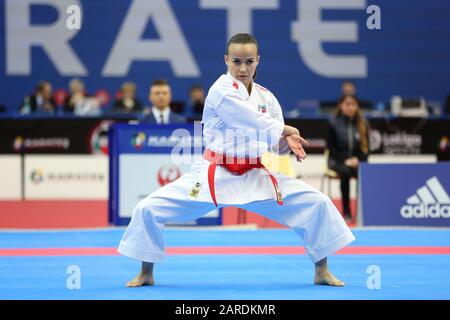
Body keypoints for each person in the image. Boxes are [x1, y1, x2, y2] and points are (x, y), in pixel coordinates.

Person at [118, 33, 355, 287]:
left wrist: (285, 143)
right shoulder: (220, 89)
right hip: (215, 174)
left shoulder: (267, 97)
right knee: (148, 209)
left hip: (255, 175)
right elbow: (249, 119)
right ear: (226, 60)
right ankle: (146, 272)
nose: (243, 68)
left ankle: (321, 270)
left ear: (258, 61)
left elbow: (273, 143)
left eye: (249, 61)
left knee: (317, 202)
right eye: (236, 61)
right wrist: (285, 129)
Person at [326, 94, 370, 222]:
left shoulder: (363, 124)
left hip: (357, 162)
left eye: (353, 104)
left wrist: (358, 159)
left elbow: (367, 150)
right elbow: (331, 148)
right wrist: (345, 160)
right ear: (341, 106)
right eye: (347, 104)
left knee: (364, 173)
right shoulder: (333, 123)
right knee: (345, 172)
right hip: (337, 161)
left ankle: (363, 211)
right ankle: (346, 211)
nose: (350, 107)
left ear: (357, 106)